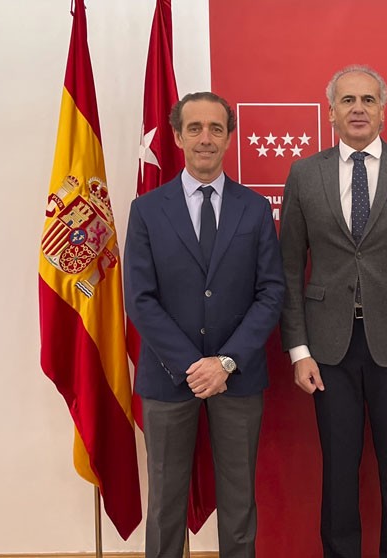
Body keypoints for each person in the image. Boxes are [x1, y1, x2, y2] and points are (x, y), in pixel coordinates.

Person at [279, 65, 387, 558]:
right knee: (337, 470)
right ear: (331, 111)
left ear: (382, 111)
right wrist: (298, 351)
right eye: (348, 100)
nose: (358, 108)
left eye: (368, 100)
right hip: (327, 349)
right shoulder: (304, 174)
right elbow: (288, 269)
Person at [124, 92, 285, 557]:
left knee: (239, 502)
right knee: (165, 503)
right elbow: (140, 298)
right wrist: (193, 365)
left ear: (229, 138)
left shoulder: (254, 209)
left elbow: (270, 293)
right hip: (168, 376)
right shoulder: (147, 210)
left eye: (216, 128)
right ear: (177, 137)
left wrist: (226, 362)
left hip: (238, 377)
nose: (205, 138)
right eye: (194, 128)